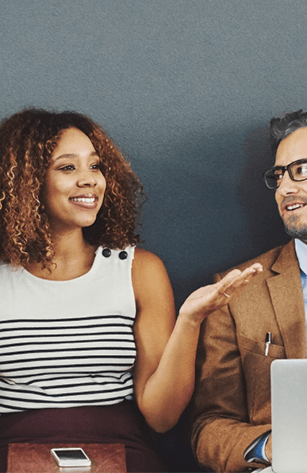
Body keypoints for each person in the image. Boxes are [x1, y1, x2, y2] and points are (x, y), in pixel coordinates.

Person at [0, 108, 262, 472]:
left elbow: (161, 417)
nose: (90, 180)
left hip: (121, 452)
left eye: (95, 166)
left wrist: (190, 321)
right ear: (26, 183)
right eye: (67, 167)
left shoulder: (139, 270)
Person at [191, 108, 307, 472]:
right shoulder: (237, 291)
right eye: (279, 175)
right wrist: (271, 446)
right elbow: (209, 427)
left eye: (302, 169)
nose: (285, 187)